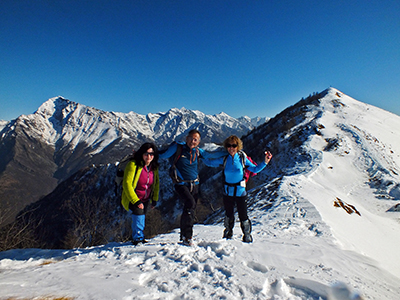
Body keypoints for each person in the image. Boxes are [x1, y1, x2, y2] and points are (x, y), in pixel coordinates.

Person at [159, 129, 227, 245]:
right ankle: (187, 236)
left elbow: (211, 155)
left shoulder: (198, 151)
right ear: (186, 138)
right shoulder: (178, 148)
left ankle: (184, 235)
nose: (192, 141)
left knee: (189, 209)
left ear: (199, 142)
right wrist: (145, 155)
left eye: (195, 139)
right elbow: (163, 155)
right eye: (191, 138)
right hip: (180, 184)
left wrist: (229, 152)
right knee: (190, 204)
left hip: (195, 184)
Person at [203, 135, 272, 243]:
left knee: (243, 215)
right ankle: (228, 233)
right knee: (228, 215)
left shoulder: (242, 158)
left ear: (238, 146)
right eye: (229, 145)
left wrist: (265, 162)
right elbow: (210, 163)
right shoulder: (225, 159)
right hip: (228, 192)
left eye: (234, 145)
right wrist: (199, 156)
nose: (231, 148)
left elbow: (255, 169)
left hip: (240, 192)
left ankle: (247, 235)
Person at [121, 142, 160, 245]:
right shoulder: (133, 164)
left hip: (146, 198)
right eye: (146, 153)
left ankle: (139, 237)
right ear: (141, 154)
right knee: (138, 214)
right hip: (132, 197)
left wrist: (154, 199)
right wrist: (135, 200)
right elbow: (127, 184)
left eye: (151, 154)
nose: (149, 156)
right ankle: (138, 238)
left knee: (141, 217)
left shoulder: (153, 167)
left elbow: (156, 184)